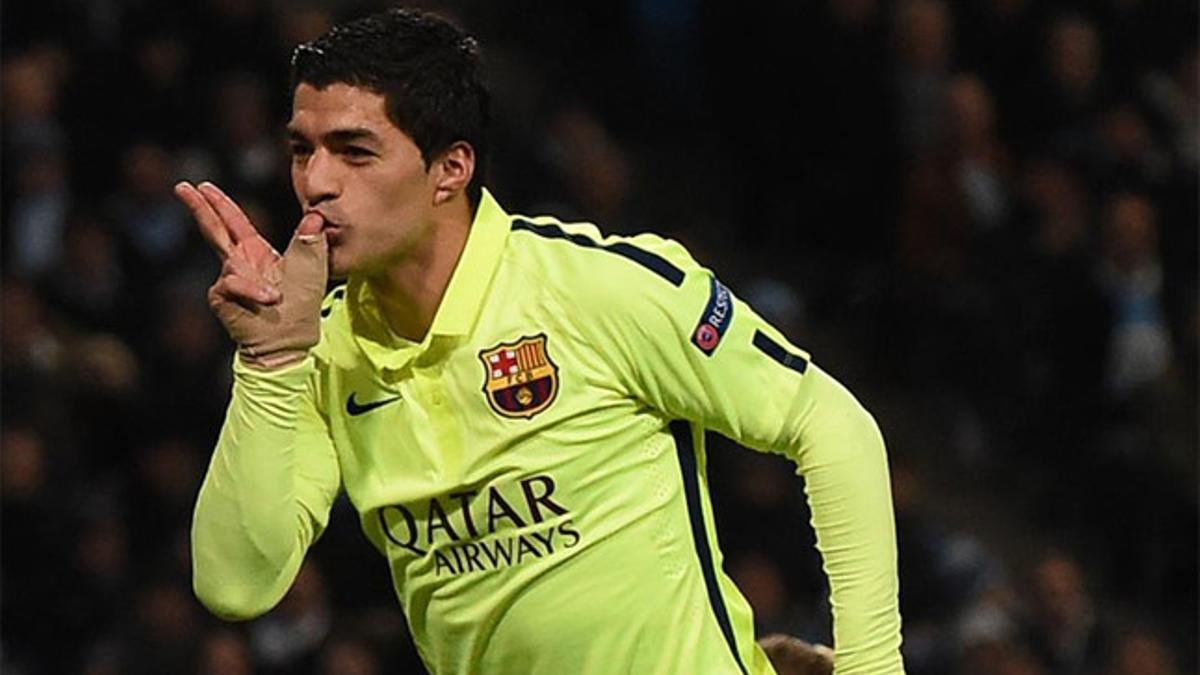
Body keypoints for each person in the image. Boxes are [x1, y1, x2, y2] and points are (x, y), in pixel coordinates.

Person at [178, 7, 904, 674]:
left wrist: (873, 668)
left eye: (355, 151)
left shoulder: (592, 286)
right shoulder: (322, 353)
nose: (317, 182)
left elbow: (832, 424)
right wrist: (270, 363)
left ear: (450, 169)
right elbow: (235, 583)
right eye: (302, 150)